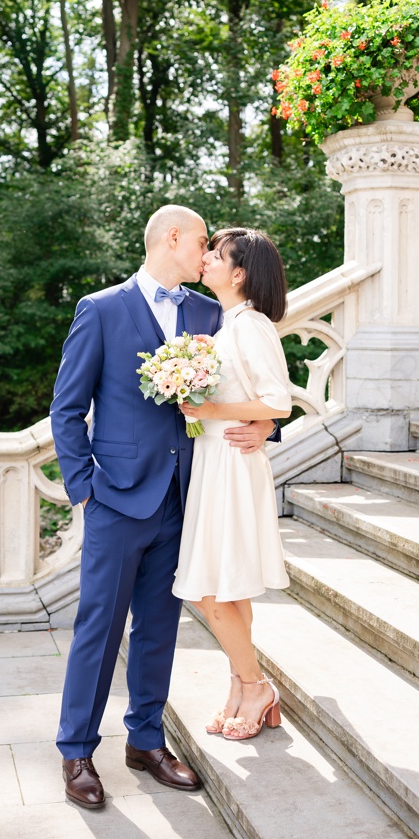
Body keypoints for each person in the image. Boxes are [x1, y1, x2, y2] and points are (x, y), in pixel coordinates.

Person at [49, 205, 276, 810]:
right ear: (171, 237)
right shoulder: (100, 310)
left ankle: (145, 741)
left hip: (187, 499)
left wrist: (264, 429)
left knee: (159, 629)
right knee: (97, 629)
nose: (206, 253)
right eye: (201, 240)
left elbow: (249, 386)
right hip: (117, 501)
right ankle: (76, 751)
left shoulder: (210, 313)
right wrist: (85, 489)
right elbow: (66, 409)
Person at [175, 227, 293, 741]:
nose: (205, 260)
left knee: (208, 590)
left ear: (239, 272)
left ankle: (256, 683)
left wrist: (211, 409)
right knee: (228, 586)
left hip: (233, 465)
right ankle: (241, 689)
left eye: (216, 256)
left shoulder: (251, 326)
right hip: (215, 460)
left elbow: (279, 402)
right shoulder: (227, 325)